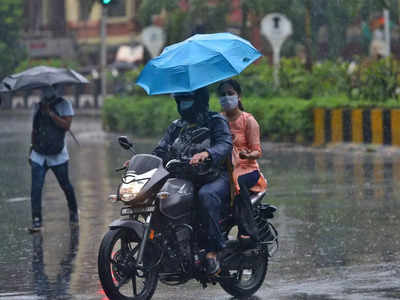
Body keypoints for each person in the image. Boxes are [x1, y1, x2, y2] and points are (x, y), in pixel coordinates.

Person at [152, 87, 232, 275]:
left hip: (213, 177)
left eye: (187, 100)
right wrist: (143, 160)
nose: (183, 105)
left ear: (199, 100)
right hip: (184, 177)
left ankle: (213, 251)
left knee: (206, 195)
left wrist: (208, 153)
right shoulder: (177, 126)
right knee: (158, 196)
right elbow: (161, 149)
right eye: (179, 101)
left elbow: (225, 144)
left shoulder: (216, 121)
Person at [217, 79, 267, 249]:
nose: (226, 98)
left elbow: (257, 151)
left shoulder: (248, 121)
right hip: (223, 167)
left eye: (230, 93)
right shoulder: (217, 120)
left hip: (246, 169)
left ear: (239, 96)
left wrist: (247, 155)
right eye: (222, 95)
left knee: (236, 182)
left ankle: (247, 231)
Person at [29, 85, 79, 233]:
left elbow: (66, 125)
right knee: (36, 189)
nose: (46, 92)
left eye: (49, 89)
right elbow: (34, 129)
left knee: (66, 186)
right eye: (44, 89)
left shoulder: (64, 104)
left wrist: (51, 114)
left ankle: (73, 213)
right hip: (38, 155)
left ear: (56, 89)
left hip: (58, 156)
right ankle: (36, 221)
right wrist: (31, 149)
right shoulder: (37, 106)